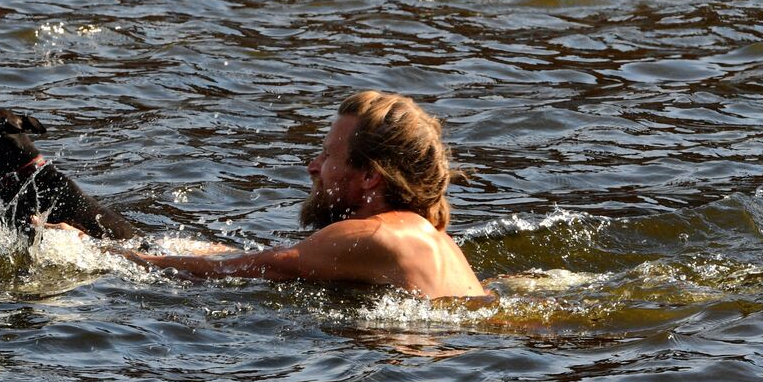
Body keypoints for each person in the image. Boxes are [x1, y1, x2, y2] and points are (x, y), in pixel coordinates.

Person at [48, 91, 489, 299]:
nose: (313, 167)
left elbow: (242, 270)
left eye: (327, 155)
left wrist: (107, 256)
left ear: (371, 177)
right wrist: (178, 247)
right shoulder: (428, 237)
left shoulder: (373, 235)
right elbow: (268, 257)